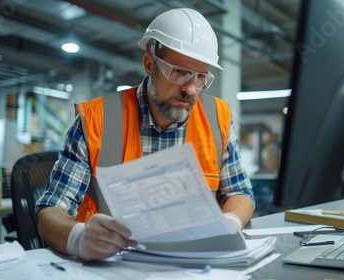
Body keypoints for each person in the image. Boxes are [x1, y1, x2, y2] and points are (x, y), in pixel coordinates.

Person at [35, 8, 255, 261]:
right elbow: (50, 213)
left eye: (201, 76)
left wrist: (230, 222)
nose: (191, 89)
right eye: (179, 72)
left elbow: (240, 193)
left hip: (195, 266)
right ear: (150, 65)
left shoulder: (218, 118)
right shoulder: (96, 119)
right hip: (111, 266)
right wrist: (78, 237)